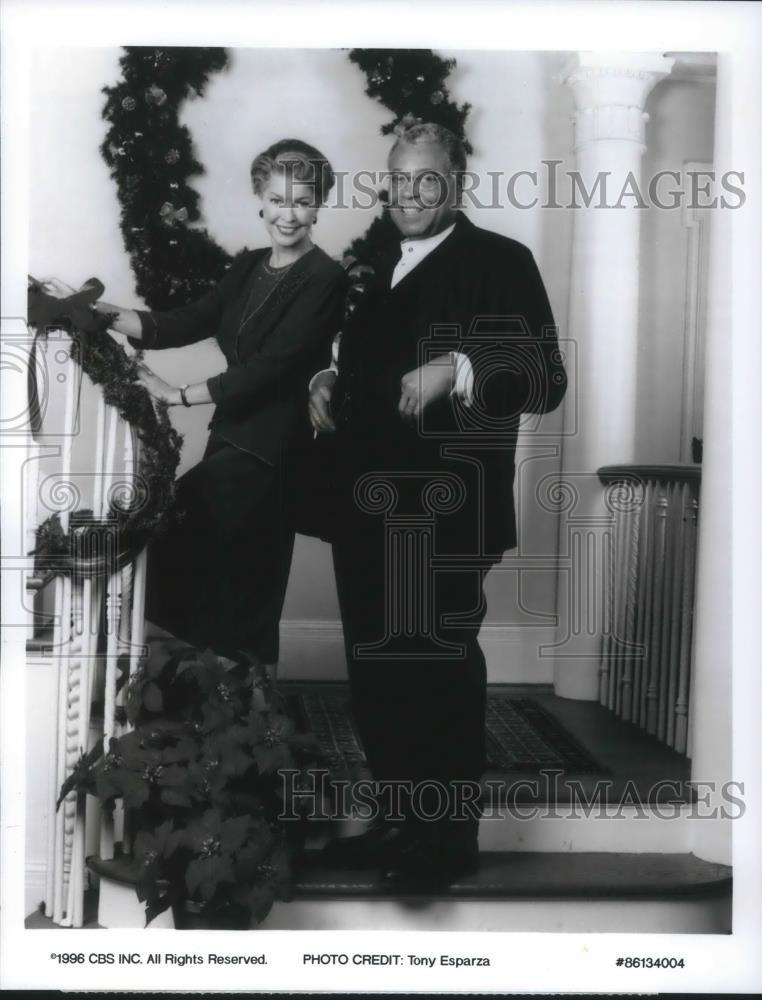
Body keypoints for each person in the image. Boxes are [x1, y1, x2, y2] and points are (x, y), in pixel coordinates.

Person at [309, 119, 567, 889]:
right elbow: (350, 358)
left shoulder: (500, 261)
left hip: (447, 512)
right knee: (376, 669)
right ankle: (398, 822)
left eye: (427, 179)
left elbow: (545, 377)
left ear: (456, 184)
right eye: (398, 177)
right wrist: (324, 383)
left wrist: (457, 368)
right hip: (363, 504)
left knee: (435, 671)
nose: (410, 193)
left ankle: (446, 841)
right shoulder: (370, 265)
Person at [44, 139, 347, 671]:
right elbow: (187, 320)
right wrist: (102, 313)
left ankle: (244, 718)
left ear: (320, 203)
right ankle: (232, 717)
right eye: (277, 199)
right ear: (260, 198)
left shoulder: (325, 277)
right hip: (231, 439)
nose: (288, 214)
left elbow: (273, 368)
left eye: (302, 201)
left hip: (271, 451)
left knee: (229, 571)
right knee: (233, 577)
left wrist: (176, 394)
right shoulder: (250, 266)